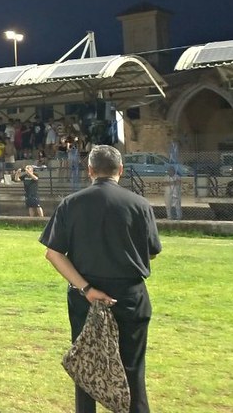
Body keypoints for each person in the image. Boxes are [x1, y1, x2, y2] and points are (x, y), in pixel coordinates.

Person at [39, 145, 162, 413]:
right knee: (132, 369)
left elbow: (54, 253)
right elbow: (151, 253)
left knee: (86, 367)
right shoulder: (139, 204)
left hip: (86, 297)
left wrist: (86, 288)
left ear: (90, 171)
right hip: (129, 296)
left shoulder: (71, 204)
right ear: (120, 170)